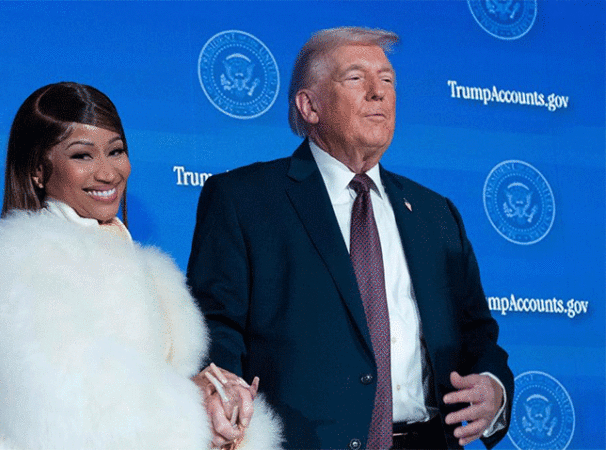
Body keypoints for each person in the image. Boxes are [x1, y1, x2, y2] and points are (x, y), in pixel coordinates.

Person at [187, 27, 514, 450]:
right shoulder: (243, 199)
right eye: (356, 78)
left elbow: (478, 334)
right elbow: (215, 328)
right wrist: (221, 401)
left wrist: (494, 388)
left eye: (388, 79)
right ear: (309, 105)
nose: (378, 92)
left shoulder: (436, 214)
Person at [0, 82, 281, 450]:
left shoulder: (151, 273)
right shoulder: (2, 263)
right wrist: (193, 402)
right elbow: (62, 413)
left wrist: (224, 411)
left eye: (115, 151)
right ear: (39, 170)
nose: (108, 173)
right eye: (82, 156)